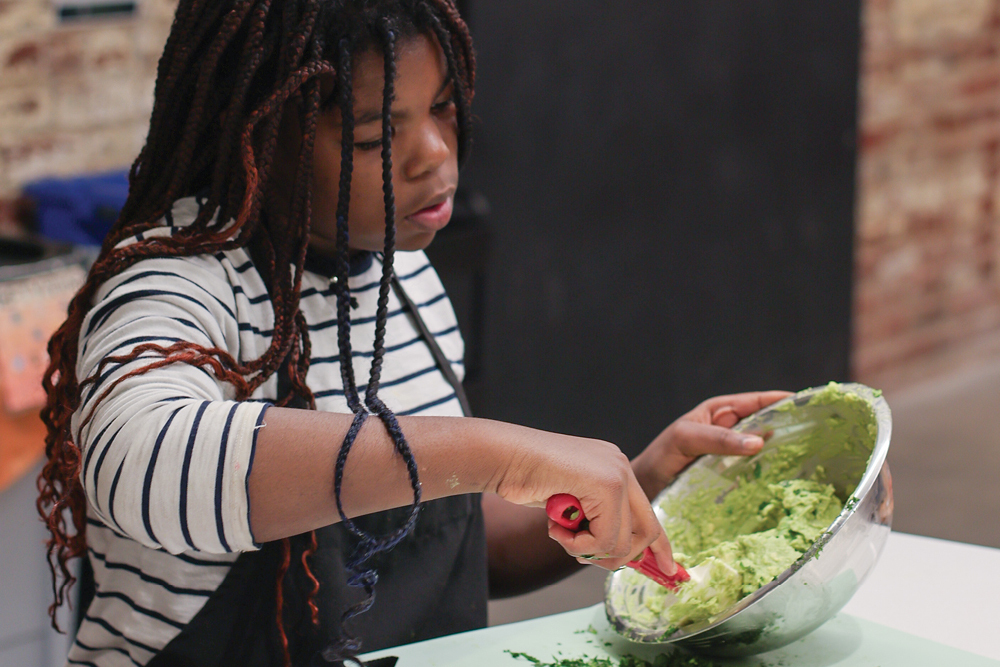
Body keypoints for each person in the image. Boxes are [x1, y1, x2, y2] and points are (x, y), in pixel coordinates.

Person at [37, 1, 788, 665]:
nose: (435, 153)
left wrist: (643, 478)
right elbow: (140, 460)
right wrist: (500, 452)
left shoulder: (401, 275)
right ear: (262, 138)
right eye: (374, 136)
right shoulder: (176, 280)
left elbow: (452, 552)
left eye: (444, 108)